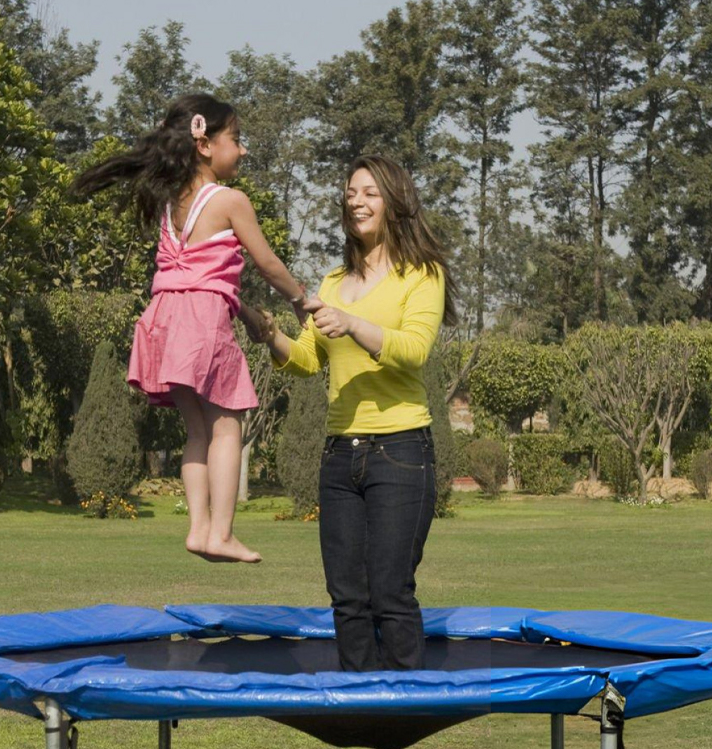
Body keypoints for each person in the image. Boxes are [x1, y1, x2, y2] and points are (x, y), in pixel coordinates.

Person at [73, 93, 308, 563]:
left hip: (163, 320)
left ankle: (199, 528)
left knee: (197, 431)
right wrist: (303, 301)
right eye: (236, 140)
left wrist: (243, 312)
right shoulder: (229, 200)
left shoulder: (171, 204)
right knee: (228, 427)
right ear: (205, 145)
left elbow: (199, 277)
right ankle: (220, 532)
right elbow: (267, 263)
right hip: (200, 324)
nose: (242, 151)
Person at [256, 154, 458, 670]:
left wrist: (351, 323)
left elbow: (413, 350)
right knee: (347, 597)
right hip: (339, 458)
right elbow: (305, 361)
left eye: (368, 192)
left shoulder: (422, 274)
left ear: (394, 201)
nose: (355, 201)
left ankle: (406, 704)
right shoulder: (331, 281)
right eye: (350, 193)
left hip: (401, 451)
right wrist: (271, 334)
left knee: (390, 592)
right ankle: (359, 703)